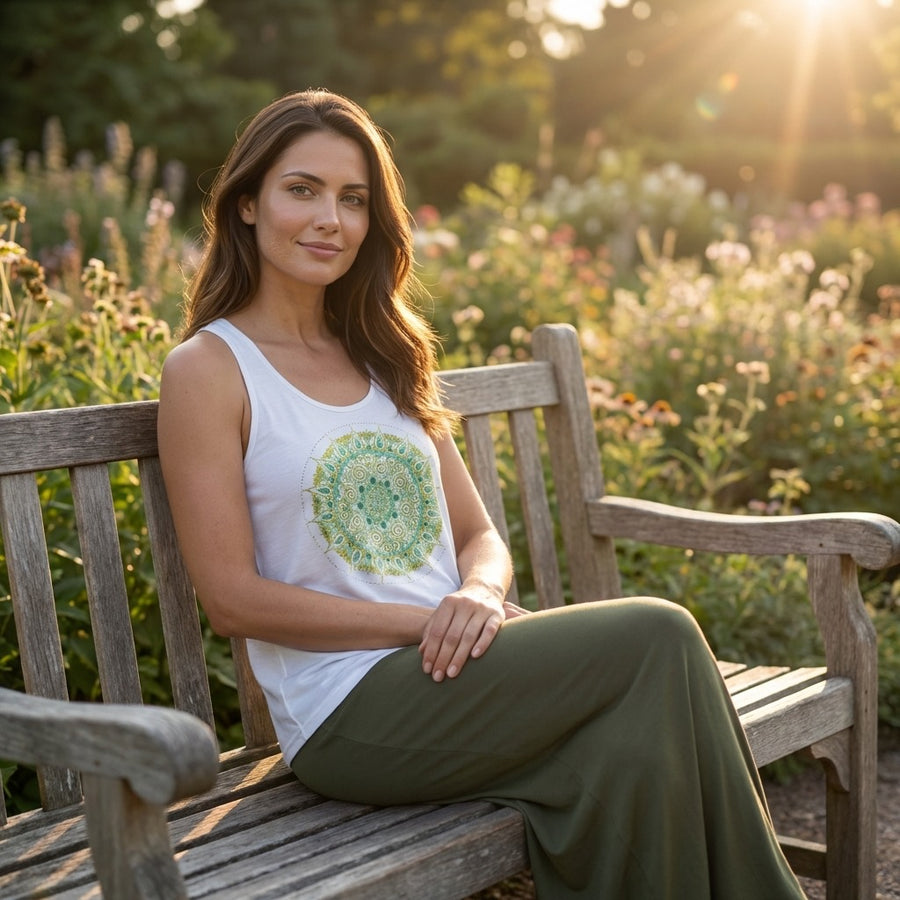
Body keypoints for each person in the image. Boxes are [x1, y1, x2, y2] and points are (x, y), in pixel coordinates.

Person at [157, 89, 805, 899]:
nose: (330, 218)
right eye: (303, 189)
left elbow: (481, 535)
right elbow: (234, 601)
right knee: (659, 634)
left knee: (631, 755)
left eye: (353, 200)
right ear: (247, 204)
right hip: (350, 712)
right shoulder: (209, 371)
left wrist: (474, 592)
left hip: (453, 671)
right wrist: (436, 622)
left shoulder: (380, 358)